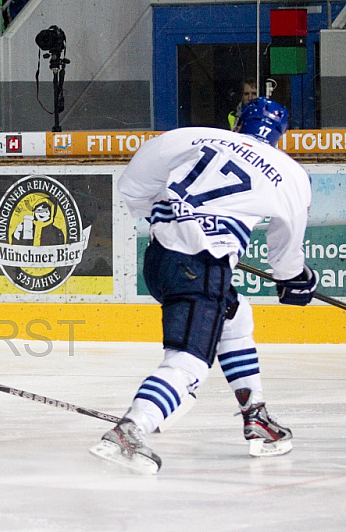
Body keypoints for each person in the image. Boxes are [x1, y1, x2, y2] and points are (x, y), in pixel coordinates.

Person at [90, 97, 318, 474]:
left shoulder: (191, 137)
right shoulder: (289, 172)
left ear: (237, 124)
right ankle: (131, 428)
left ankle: (255, 416)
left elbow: (133, 186)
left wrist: (178, 223)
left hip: (160, 259)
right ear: (281, 135)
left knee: (236, 315)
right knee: (188, 362)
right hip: (202, 267)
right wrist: (293, 279)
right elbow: (286, 247)